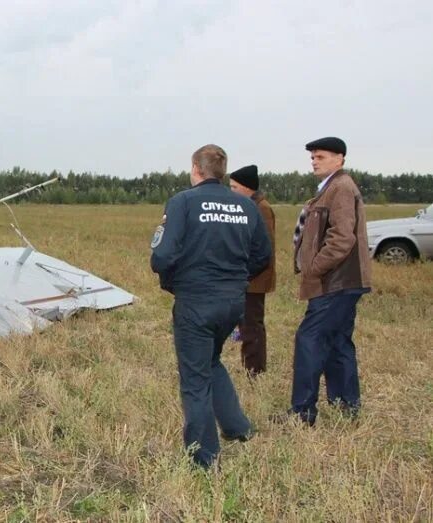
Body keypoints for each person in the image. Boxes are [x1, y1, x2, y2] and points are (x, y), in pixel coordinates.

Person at [150, 144, 272, 469]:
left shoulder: (183, 202)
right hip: (232, 302)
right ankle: (238, 427)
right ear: (223, 172)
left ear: (195, 168)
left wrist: (177, 280)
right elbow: (263, 256)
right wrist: (235, 278)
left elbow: (161, 256)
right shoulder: (246, 207)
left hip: (195, 301)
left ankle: (204, 459)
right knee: (211, 361)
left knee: (194, 379)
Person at [287, 137, 372, 425]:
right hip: (342, 281)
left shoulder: (341, 188)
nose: (314, 160)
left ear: (340, 159)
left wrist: (313, 269)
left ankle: (302, 413)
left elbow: (341, 239)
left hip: (335, 282)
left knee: (309, 339)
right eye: (312, 156)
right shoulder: (330, 189)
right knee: (338, 342)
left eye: (320, 156)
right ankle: (346, 405)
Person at [228, 165, 276, 376]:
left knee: (252, 326)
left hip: (255, 279)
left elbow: (263, 249)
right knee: (246, 325)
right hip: (248, 276)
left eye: (234, 187)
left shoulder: (261, 209)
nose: (231, 191)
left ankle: (255, 371)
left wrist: (244, 274)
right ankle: (250, 367)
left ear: (247, 188)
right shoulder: (249, 206)